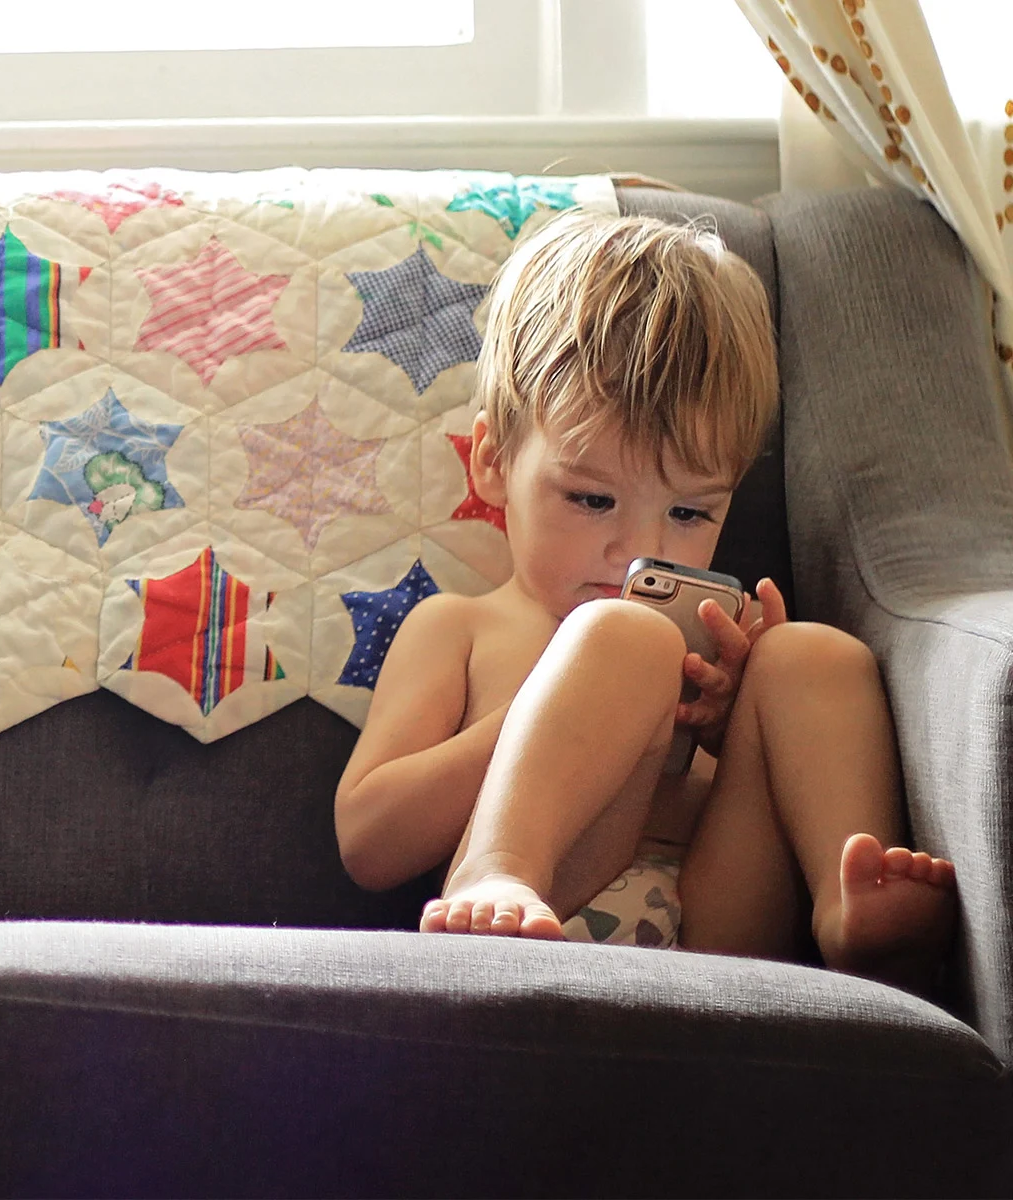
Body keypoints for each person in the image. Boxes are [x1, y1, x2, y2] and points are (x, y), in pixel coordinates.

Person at [333, 213, 956, 992]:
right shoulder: (460, 626)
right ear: (492, 461)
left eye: (689, 512)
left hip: (721, 945)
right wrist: (553, 706)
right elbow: (369, 843)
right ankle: (497, 865)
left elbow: (721, 801)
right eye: (592, 499)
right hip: (537, 923)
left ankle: (852, 912)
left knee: (809, 653)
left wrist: (732, 728)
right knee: (626, 638)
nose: (638, 549)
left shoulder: (712, 646)